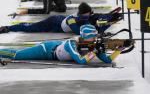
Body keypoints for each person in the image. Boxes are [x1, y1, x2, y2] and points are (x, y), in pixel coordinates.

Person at [0, 24, 128, 64]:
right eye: (93, 37)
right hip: (45, 50)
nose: (95, 39)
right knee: (16, 55)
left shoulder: (91, 46)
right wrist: (94, 51)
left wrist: (119, 50)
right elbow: (81, 61)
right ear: (86, 37)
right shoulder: (70, 43)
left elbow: (107, 60)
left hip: (53, 51)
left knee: (17, 53)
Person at [0, 3, 122, 35]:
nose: (90, 15)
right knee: (31, 28)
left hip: (60, 21)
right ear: (83, 14)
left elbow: (98, 17)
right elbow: (82, 32)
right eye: (88, 14)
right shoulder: (73, 21)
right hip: (54, 23)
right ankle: (8, 28)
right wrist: (108, 24)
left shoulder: (86, 16)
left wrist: (111, 17)